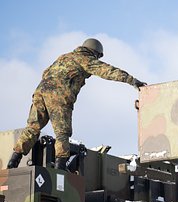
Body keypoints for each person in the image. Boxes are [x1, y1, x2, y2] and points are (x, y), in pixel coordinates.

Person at [7, 38, 146, 170]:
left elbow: (46, 73)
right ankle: (59, 168)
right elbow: (108, 71)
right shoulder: (85, 59)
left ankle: (13, 162)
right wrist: (133, 81)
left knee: (32, 128)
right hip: (59, 96)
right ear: (95, 52)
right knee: (62, 132)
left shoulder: (63, 57)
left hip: (40, 92)